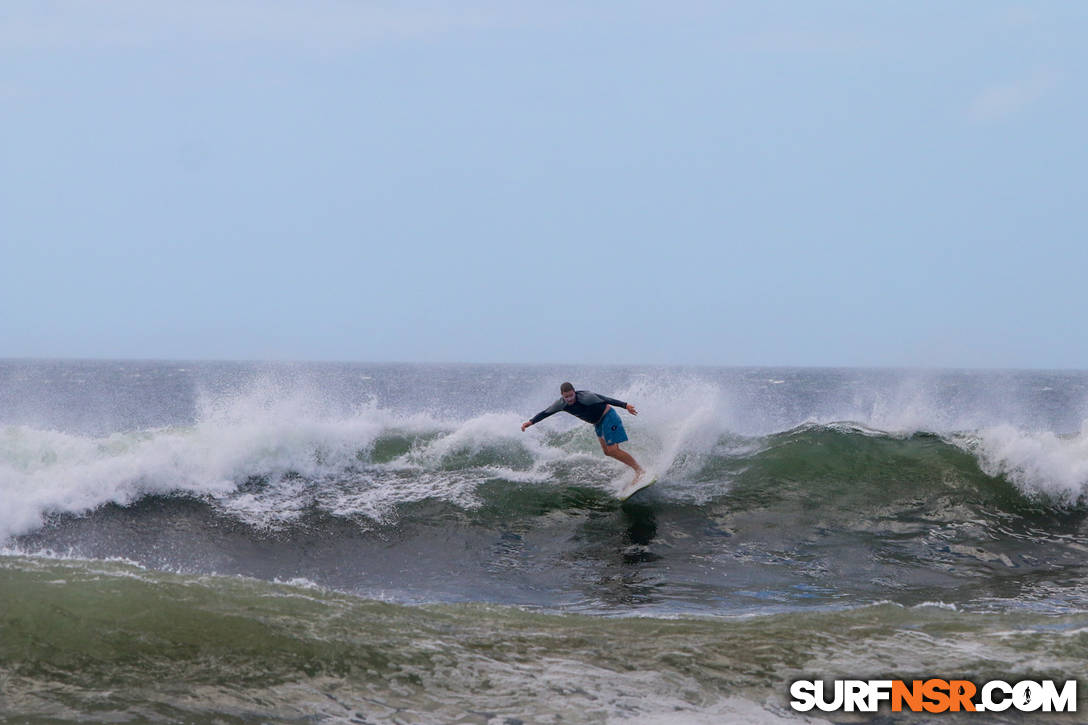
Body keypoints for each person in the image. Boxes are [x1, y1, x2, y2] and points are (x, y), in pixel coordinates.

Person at [521, 382, 644, 484]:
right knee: (607, 452)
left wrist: (625, 405)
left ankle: (639, 471)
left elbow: (605, 399)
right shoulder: (561, 404)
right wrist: (530, 422)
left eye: (571, 395)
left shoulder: (586, 397)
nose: (569, 399)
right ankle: (630, 464)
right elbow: (545, 413)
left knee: (612, 450)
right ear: (562, 396)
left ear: (574, 392)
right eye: (566, 397)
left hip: (608, 417)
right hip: (598, 423)